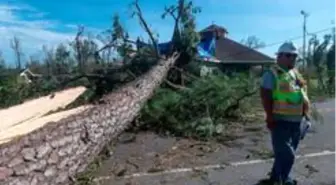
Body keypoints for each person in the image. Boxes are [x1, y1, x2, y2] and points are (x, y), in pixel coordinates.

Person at [259, 41, 311, 185]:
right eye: (289, 55)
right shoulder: (272, 74)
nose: (292, 59)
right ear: (279, 56)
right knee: (288, 155)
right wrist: (269, 116)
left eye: (294, 56)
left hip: (296, 122)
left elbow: (302, 95)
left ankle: (276, 178)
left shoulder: (295, 74)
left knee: (284, 154)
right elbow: (265, 96)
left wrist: (306, 116)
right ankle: (285, 179)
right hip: (280, 121)